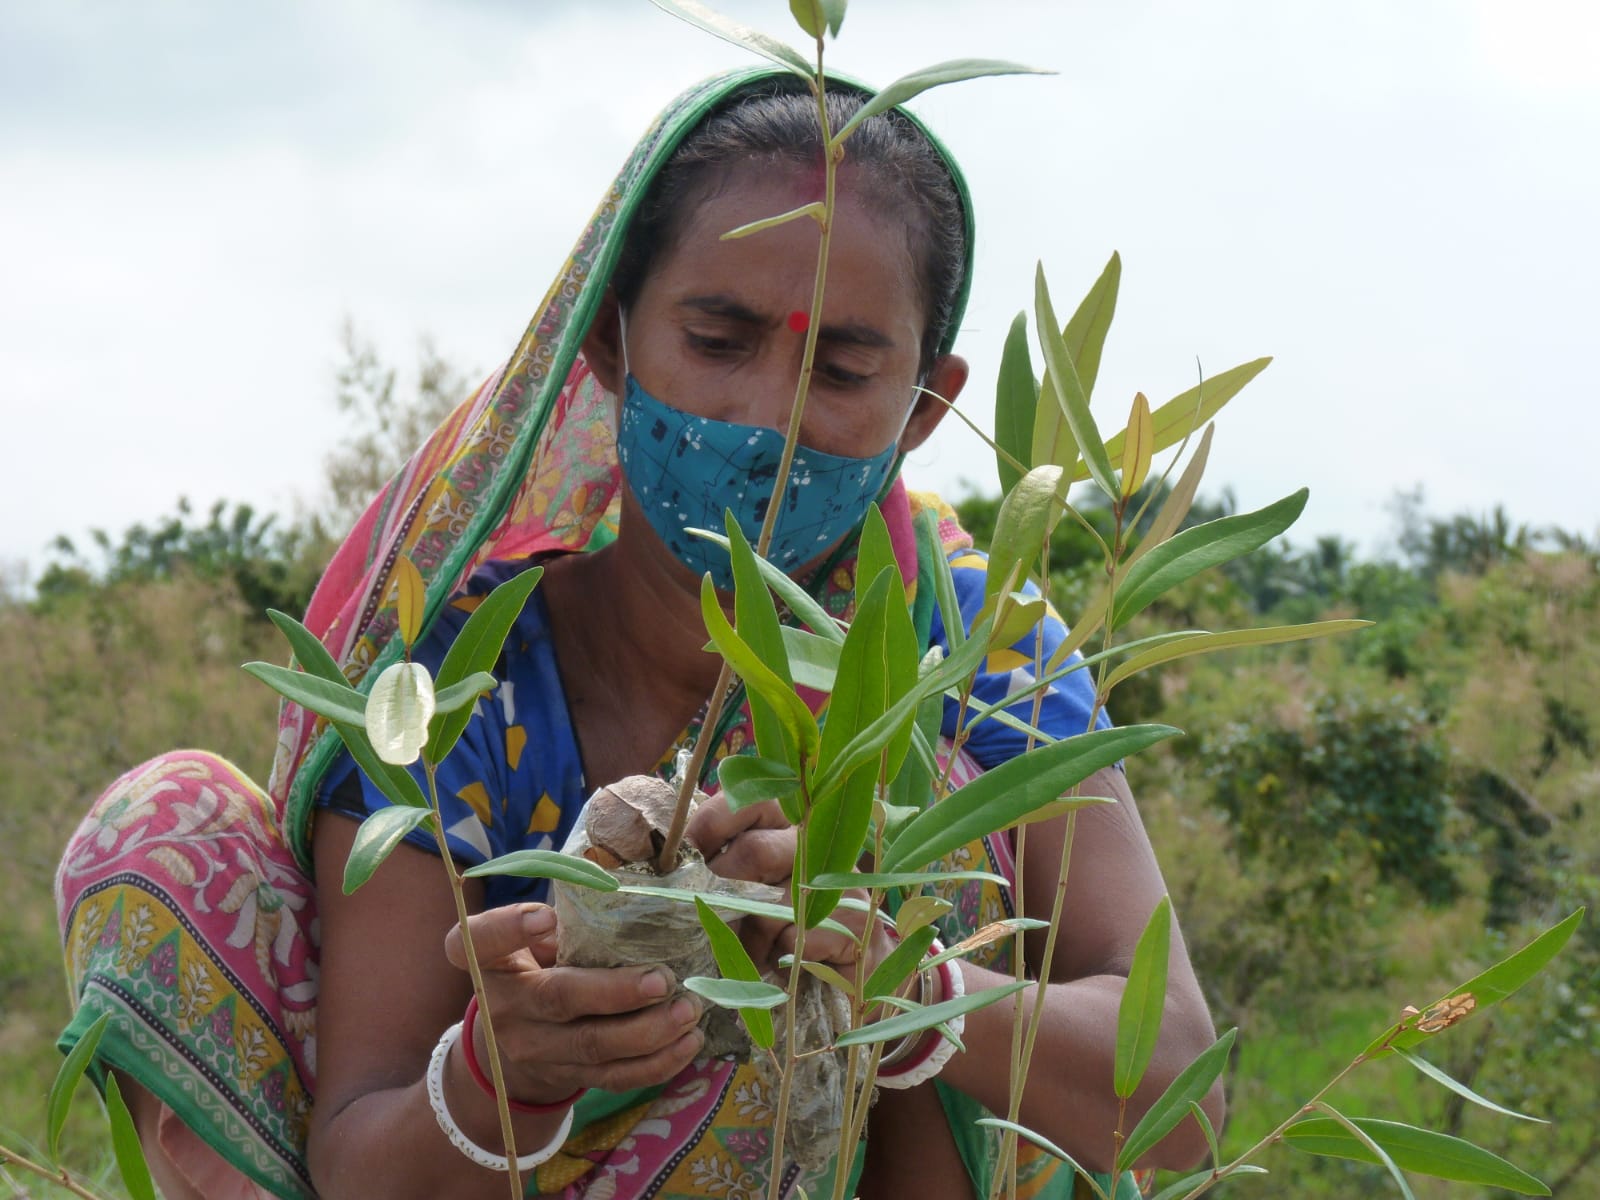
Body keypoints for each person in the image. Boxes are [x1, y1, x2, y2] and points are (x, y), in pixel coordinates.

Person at [56, 66, 1222, 1200]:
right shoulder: (462, 675)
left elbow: (1178, 1093)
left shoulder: (969, 643)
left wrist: (904, 986)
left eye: (844, 368)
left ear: (923, 405)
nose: (766, 418)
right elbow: (361, 1159)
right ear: (612, 347)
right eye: (717, 341)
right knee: (164, 833)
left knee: (928, 855)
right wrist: (497, 1074)